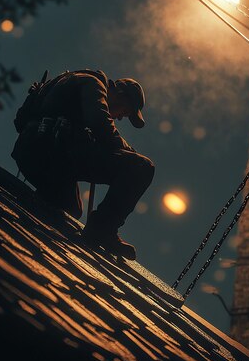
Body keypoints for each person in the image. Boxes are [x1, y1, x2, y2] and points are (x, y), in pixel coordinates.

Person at [11, 69, 155, 260]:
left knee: (71, 209)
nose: (120, 117)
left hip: (36, 153)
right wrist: (129, 152)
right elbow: (99, 121)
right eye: (125, 111)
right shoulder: (92, 84)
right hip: (51, 151)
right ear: (120, 93)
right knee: (141, 167)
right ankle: (103, 230)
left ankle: (32, 210)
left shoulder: (73, 81)